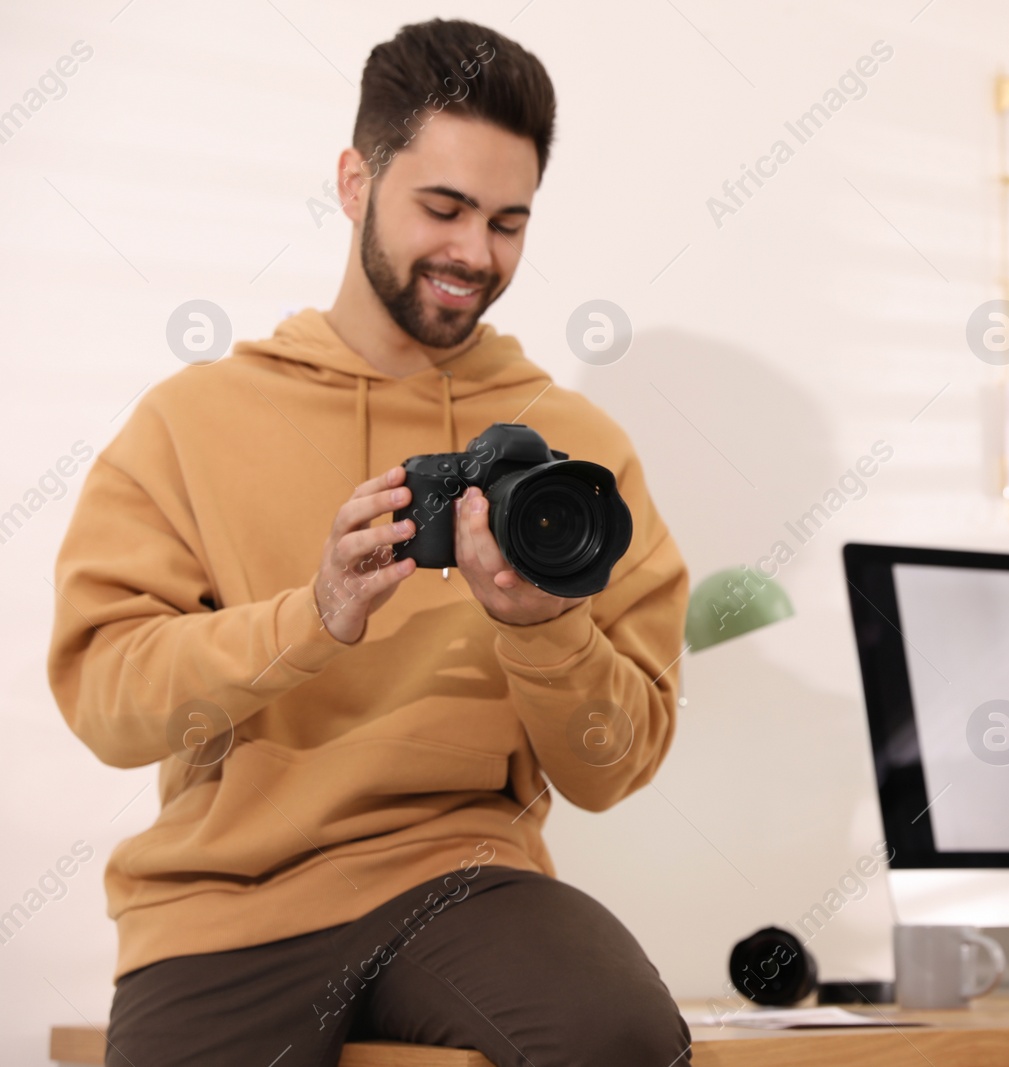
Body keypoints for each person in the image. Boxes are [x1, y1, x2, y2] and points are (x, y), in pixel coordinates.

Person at [46, 18, 691, 1066]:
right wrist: (313, 617)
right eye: (442, 208)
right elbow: (107, 702)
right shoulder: (189, 422)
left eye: (508, 222)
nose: (475, 254)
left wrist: (544, 629)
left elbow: (614, 766)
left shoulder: (576, 454)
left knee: (616, 1033)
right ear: (354, 182)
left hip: (463, 876)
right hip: (224, 906)